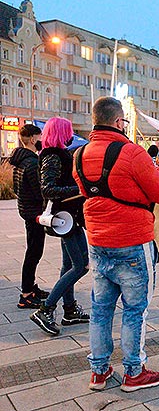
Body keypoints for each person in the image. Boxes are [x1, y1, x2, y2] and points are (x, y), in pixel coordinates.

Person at [73, 97, 159, 392]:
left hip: (99, 241)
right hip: (132, 242)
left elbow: (88, 193)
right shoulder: (131, 152)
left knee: (101, 308)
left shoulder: (79, 154)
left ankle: (99, 371)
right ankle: (134, 371)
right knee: (135, 309)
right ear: (118, 122)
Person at [30, 117, 89, 336]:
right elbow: (48, 189)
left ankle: (70, 310)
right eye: (69, 130)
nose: (71, 134)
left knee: (68, 265)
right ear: (61, 132)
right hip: (64, 219)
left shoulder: (58, 155)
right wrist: (79, 189)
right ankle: (46, 309)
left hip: (70, 217)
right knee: (81, 265)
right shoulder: (52, 156)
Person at [9, 124, 50, 309]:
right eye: (40, 136)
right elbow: (38, 192)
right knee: (34, 252)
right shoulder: (32, 162)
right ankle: (25, 294)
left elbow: (18, 188)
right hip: (34, 213)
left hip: (25, 210)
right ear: (33, 139)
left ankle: (31, 287)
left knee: (33, 250)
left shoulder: (20, 160)